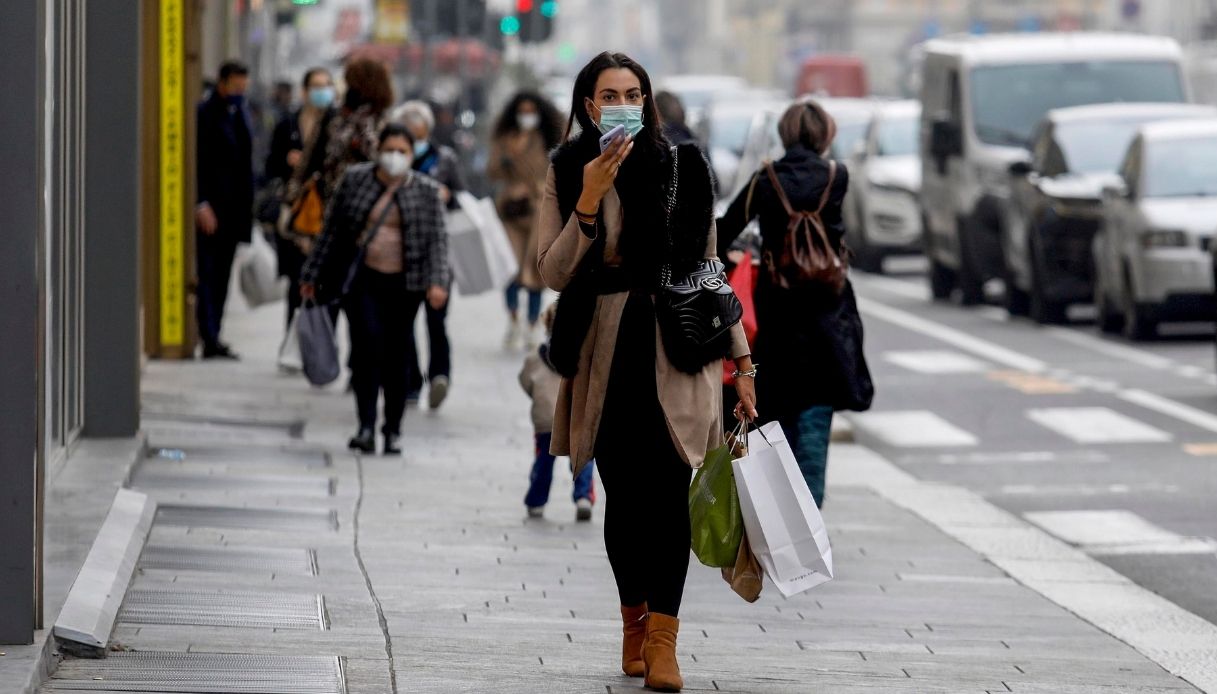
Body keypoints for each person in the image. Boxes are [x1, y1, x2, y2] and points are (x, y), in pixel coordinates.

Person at [538, 51, 757, 693]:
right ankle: (633, 620)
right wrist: (588, 200)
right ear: (589, 106)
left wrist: (743, 360)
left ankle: (664, 641)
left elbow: (711, 270)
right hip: (604, 351)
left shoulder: (685, 166)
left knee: (667, 499)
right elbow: (551, 274)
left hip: (679, 349)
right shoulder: (567, 169)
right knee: (625, 501)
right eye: (610, 95)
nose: (623, 104)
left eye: (634, 93)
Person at [717, 99, 851, 508]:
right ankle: (810, 510)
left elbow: (724, 231)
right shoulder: (837, 177)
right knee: (815, 417)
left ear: (786, 133)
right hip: (827, 315)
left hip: (776, 315)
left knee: (776, 419)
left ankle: (780, 517)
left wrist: (734, 261)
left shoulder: (767, 178)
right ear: (826, 135)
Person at [300, 124, 450, 455]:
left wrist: (437, 282)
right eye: (389, 149)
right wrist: (311, 273)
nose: (395, 157)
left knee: (398, 356)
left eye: (403, 151)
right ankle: (366, 425)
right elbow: (332, 230)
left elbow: (438, 241)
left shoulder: (425, 190)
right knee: (366, 349)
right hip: (361, 278)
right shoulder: (356, 180)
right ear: (378, 150)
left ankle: (392, 429)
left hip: (405, 283)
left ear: (412, 155)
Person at [394, 100, 466, 409]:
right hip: (401, 253)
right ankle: (410, 380)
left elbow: (462, 200)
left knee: (436, 320)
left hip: (438, 251)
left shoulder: (444, 159)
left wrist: (449, 197)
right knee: (404, 321)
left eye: (419, 133)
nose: (415, 139)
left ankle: (440, 375)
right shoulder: (394, 160)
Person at [488, 91, 563, 350]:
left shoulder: (547, 138)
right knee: (509, 268)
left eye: (532, 111)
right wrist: (506, 159)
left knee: (533, 271)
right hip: (509, 212)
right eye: (522, 111)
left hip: (538, 212)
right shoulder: (506, 138)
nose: (526, 116)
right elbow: (492, 170)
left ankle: (532, 324)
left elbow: (554, 170)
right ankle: (512, 318)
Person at [265, 67, 338, 335]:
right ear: (305, 91)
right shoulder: (287, 124)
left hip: (326, 215)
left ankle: (319, 341)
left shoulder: (337, 124)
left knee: (325, 281)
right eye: (317, 86)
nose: (323, 92)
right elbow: (270, 165)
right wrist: (287, 161)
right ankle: (292, 339)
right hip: (296, 213)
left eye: (327, 85)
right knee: (297, 278)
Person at [195, 60, 255, 360]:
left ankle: (215, 334)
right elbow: (198, 161)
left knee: (222, 277)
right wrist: (200, 202)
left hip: (233, 213)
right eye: (236, 85)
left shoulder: (241, 112)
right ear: (222, 82)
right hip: (211, 210)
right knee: (207, 273)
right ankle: (208, 334)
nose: (240, 90)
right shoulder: (205, 114)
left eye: (243, 85)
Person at [520, 304, 596, 522]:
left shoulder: (536, 358)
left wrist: (538, 396)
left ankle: (536, 501)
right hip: (577, 415)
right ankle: (583, 497)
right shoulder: (585, 355)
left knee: (544, 461)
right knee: (582, 458)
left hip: (545, 418)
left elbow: (525, 381)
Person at [323, 58, 393, 196]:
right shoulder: (340, 117)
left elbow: (375, 155)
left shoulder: (379, 121)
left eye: (351, 85)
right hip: (335, 194)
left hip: (366, 195)